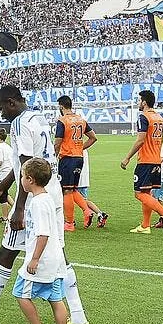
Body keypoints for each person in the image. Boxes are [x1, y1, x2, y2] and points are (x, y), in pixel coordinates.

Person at [0, 85, 91, 324]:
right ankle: (80, 318)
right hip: (53, 193)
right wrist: (0, 187)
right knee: (60, 254)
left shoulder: (19, 123)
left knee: (5, 252)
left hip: (33, 197)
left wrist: (18, 208)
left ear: (10, 103)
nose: (1, 114)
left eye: (0, 108)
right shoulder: (38, 117)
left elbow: (26, 167)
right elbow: (27, 165)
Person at [13, 157, 73, 324]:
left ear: (29, 179)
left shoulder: (38, 203)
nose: (21, 180)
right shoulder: (48, 198)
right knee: (56, 300)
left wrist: (35, 258)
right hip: (55, 260)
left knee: (21, 293)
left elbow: (43, 233)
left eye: (22, 176)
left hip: (43, 261)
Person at [121, 90, 163, 235]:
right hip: (156, 160)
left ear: (144, 102)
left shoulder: (143, 117)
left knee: (139, 193)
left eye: (139, 100)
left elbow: (140, 139)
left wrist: (127, 157)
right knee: (147, 192)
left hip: (146, 161)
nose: (138, 103)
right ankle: (145, 225)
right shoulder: (158, 117)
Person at [54, 96, 105, 231]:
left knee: (66, 191)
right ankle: (86, 210)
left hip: (67, 159)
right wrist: (80, 148)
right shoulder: (81, 119)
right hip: (79, 158)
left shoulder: (62, 120)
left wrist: (55, 156)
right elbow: (93, 137)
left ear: (61, 106)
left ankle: (69, 223)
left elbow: (58, 142)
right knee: (73, 189)